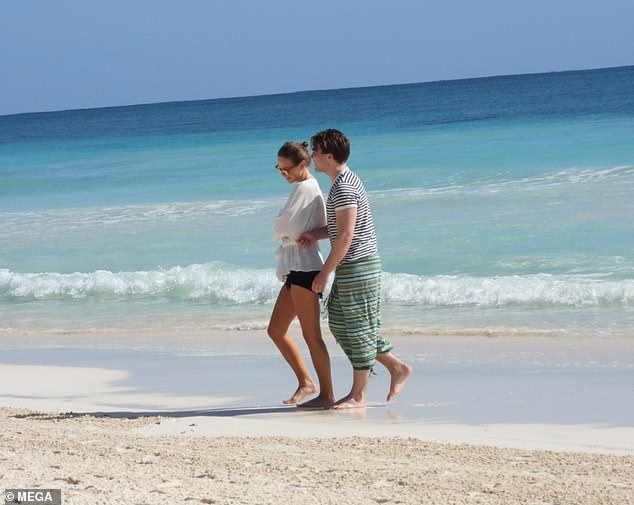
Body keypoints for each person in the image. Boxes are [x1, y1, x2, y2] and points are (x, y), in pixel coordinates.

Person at [298, 129, 412, 409]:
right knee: (339, 322)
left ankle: (358, 395)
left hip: (360, 266)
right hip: (354, 265)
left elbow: (348, 236)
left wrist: (325, 272)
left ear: (328, 153)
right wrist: (316, 234)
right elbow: (342, 229)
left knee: (359, 328)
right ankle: (395, 366)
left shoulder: (345, 186)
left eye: (315, 149)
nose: (311, 155)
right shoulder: (340, 183)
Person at [267, 141, 335, 409]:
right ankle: (307, 382)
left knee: (312, 335)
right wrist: (286, 229)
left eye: (287, 169)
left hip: (306, 267)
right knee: (275, 330)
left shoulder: (307, 188)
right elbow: (286, 227)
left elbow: (283, 226)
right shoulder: (302, 188)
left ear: (302, 164)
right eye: (279, 169)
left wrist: (285, 228)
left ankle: (327, 394)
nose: (284, 174)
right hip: (295, 267)